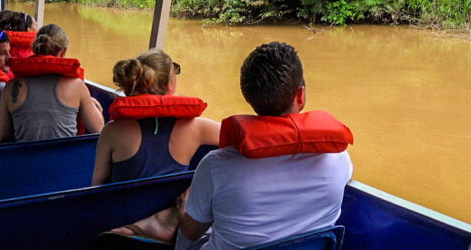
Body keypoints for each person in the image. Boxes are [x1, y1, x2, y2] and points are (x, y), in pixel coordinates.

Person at [103, 42, 353, 249]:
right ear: (301, 96)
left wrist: (180, 212)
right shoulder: (338, 158)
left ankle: (155, 223)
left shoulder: (217, 166)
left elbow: (189, 233)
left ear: (248, 96)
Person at [91, 49, 220, 186]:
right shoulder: (197, 128)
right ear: (169, 85)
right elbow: (241, 138)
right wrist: (193, 188)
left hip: (124, 207)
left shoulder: (112, 131)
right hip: (175, 207)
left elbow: (98, 187)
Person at [0, 23, 104, 142]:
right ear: (63, 51)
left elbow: (0, 136)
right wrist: (95, 106)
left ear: (34, 49)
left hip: (26, 159)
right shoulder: (76, 86)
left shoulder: (11, 87)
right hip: (65, 159)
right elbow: (98, 130)